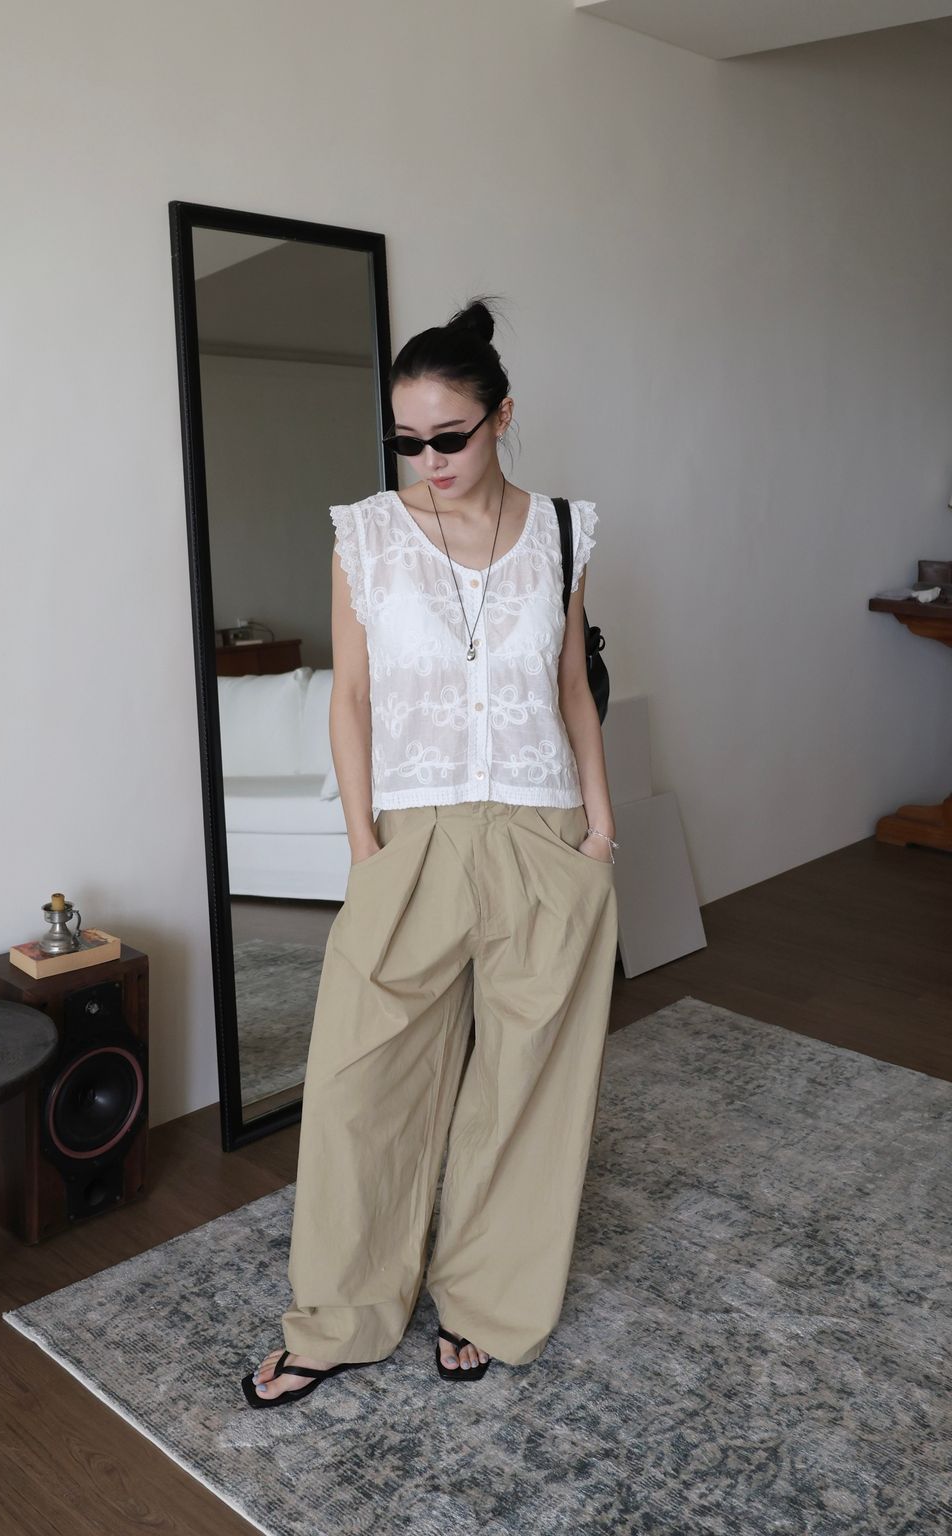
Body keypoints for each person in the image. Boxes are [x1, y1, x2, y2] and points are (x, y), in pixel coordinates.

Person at [243, 295, 619, 1409]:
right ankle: (338, 1318)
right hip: (409, 838)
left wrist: (600, 830)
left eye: (448, 436)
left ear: (501, 416)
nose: (429, 461)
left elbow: (571, 688)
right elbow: (350, 699)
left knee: (525, 1088)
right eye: (407, 440)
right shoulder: (365, 534)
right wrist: (364, 845)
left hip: (544, 829)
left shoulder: (561, 531)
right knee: (360, 1086)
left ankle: (485, 1303)